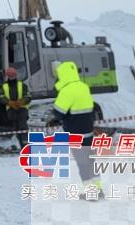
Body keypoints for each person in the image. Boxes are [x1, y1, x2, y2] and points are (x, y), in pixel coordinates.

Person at [48, 60, 101, 197]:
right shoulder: (84, 87)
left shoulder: (66, 91)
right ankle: (98, 190)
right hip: (88, 133)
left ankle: (90, 192)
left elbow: (58, 112)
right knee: (91, 161)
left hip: (75, 135)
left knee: (82, 164)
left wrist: (54, 118)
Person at [1, 66, 31, 148]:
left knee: (23, 128)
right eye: (10, 75)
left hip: (22, 109)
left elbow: (28, 96)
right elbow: (1, 97)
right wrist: (9, 102)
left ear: (15, 75)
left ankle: (25, 146)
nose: (11, 77)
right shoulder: (4, 86)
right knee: (17, 129)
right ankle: (23, 146)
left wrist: (21, 102)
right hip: (11, 111)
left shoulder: (22, 85)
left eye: (12, 75)